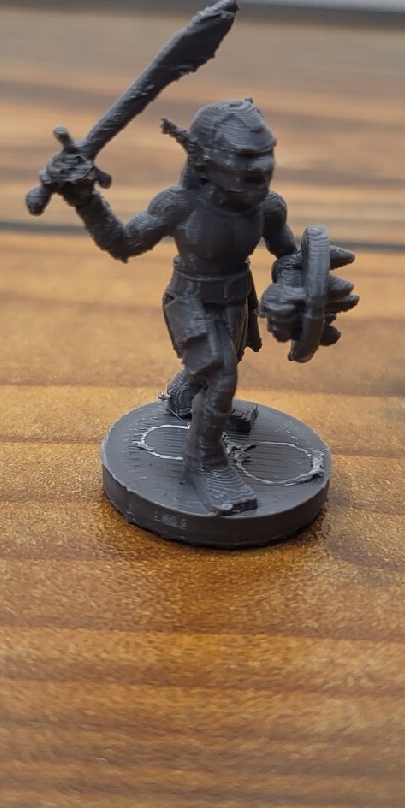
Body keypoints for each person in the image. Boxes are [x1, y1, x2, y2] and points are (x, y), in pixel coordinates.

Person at [50, 97, 356, 515]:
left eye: (267, 152)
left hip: (238, 298)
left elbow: (287, 254)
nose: (263, 166)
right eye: (245, 156)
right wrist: (85, 199)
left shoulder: (268, 208)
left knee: (227, 360)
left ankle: (183, 399)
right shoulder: (179, 205)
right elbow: (122, 242)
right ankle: (205, 461)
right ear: (204, 160)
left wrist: (293, 287)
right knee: (221, 378)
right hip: (190, 301)